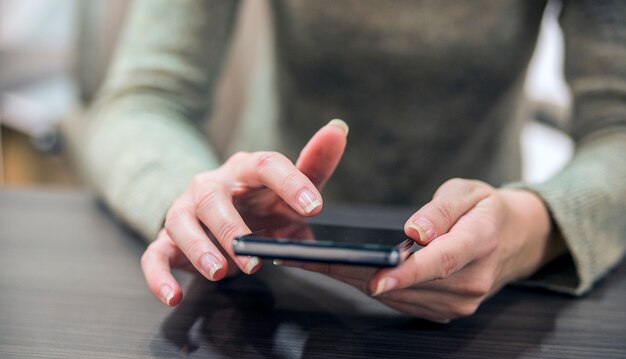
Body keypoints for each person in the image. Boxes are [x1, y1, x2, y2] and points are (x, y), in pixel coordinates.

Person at [82, 0, 626, 323]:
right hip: (268, 275)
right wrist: (196, 203)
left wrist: (531, 228)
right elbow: (144, 99)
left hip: (488, 271)